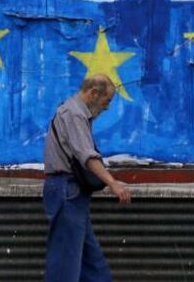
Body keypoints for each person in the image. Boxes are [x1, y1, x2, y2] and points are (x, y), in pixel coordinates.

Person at [43, 74, 131, 282]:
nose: (107, 107)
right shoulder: (74, 114)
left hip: (73, 195)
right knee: (65, 266)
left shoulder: (74, 113)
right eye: (107, 100)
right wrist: (113, 183)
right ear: (93, 93)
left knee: (93, 266)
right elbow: (87, 156)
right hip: (67, 193)